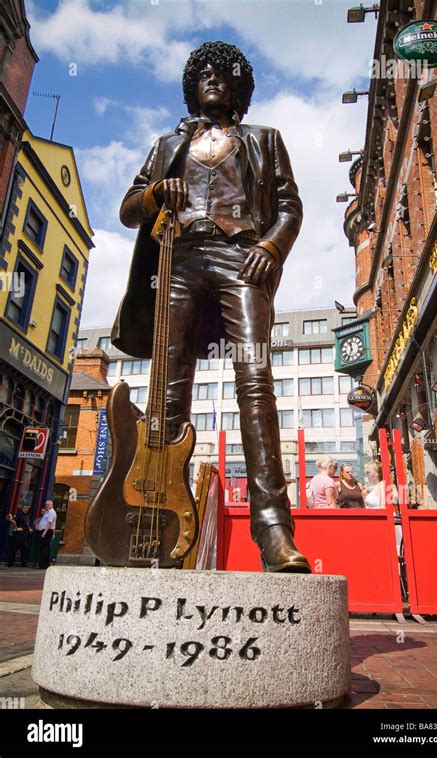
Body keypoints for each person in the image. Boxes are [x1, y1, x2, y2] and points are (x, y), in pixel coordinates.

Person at [112, 41, 310, 573]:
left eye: (224, 74)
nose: (213, 79)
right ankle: (156, 526)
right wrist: (157, 194)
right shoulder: (165, 145)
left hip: (240, 257)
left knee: (255, 380)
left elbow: (290, 206)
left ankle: (273, 529)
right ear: (191, 85)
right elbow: (130, 209)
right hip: (178, 261)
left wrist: (270, 247)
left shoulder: (264, 140)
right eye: (203, 73)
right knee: (167, 389)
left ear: (239, 87)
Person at [35, 500, 56, 569]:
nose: (46, 506)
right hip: (44, 531)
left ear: (50, 505)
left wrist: (44, 532)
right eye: (46, 505)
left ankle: (44, 564)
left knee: (44, 548)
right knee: (43, 548)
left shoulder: (52, 513)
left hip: (46, 532)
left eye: (47, 505)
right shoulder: (48, 512)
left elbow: (49, 523)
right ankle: (45, 563)